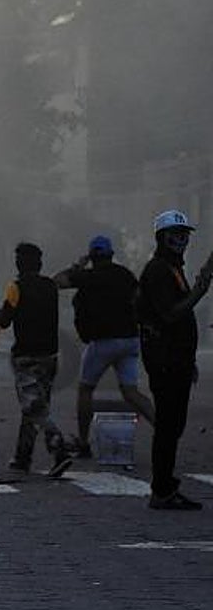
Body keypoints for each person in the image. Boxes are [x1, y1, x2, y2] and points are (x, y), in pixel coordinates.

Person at [136, 209, 213, 510]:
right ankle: (162, 489)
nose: (181, 240)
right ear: (161, 238)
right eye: (175, 235)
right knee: (168, 426)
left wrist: (188, 361)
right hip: (164, 361)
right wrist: (201, 290)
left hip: (175, 360)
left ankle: (165, 486)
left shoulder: (172, 269)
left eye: (184, 235)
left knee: (173, 425)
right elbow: (171, 314)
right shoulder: (158, 271)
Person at [52, 235, 155, 458]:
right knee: (131, 392)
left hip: (102, 342)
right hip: (129, 340)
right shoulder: (125, 275)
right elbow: (140, 300)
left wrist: (78, 265)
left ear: (92, 257)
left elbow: (56, 282)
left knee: (86, 389)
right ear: (111, 255)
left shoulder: (87, 277)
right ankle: (163, 430)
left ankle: (83, 442)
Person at [0, 242, 73, 478]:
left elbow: (4, 320)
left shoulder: (15, 287)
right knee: (36, 407)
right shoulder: (50, 286)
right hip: (50, 356)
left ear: (19, 264)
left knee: (34, 407)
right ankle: (22, 457)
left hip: (26, 357)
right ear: (39, 263)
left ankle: (59, 448)